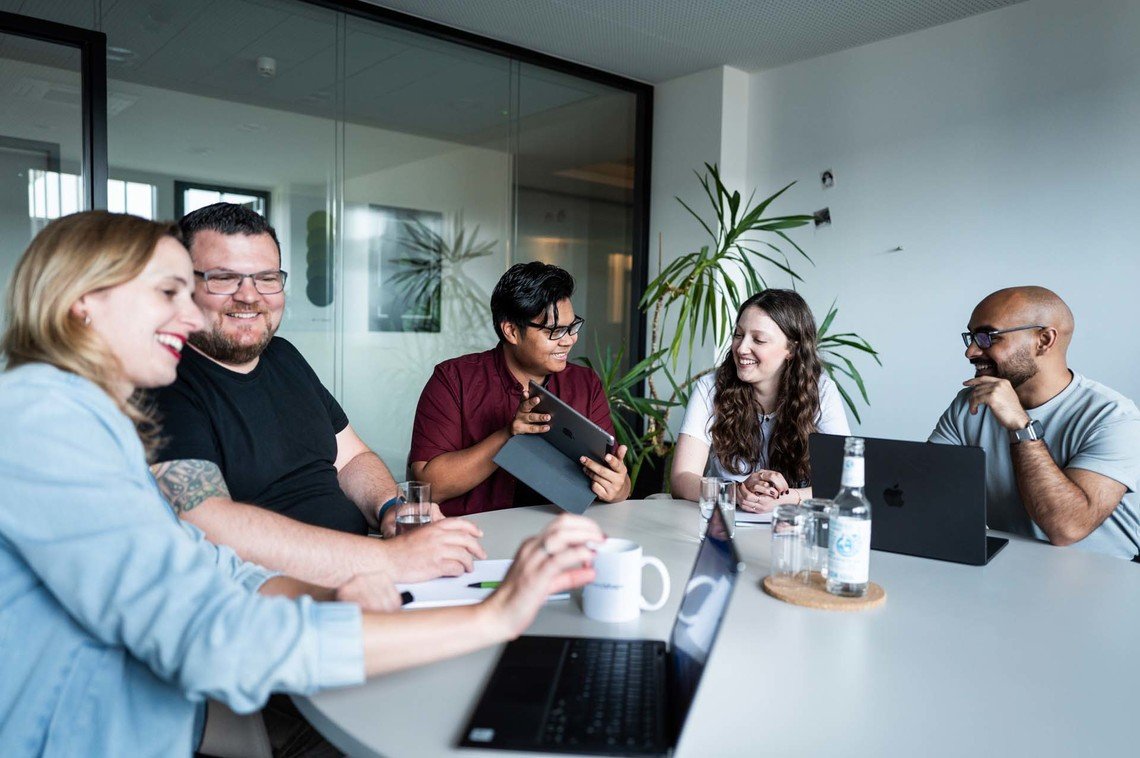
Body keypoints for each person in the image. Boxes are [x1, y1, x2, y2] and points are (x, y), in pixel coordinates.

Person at [0, 210, 604, 754]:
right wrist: (489, 616)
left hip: (256, 654)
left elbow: (205, 569)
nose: (191, 315)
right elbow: (208, 629)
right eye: (172, 292)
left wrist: (331, 587)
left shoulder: (90, 417)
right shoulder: (44, 421)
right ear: (84, 302)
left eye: (264, 279)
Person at [148, 203, 484, 588]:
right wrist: (388, 561)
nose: (249, 296)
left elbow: (352, 458)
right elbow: (207, 524)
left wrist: (391, 507)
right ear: (181, 285)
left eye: (266, 278)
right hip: (281, 597)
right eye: (224, 278)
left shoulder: (284, 356)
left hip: (368, 573)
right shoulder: (164, 379)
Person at [929, 286, 1140, 559]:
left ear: (1043, 340)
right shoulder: (969, 404)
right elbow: (927, 489)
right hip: (1011, 568)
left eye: (986, 337)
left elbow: (1067, 528)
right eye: (971, 337)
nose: (970, 351)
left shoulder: (1114, 418)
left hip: (1108, 579)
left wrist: (1021, 426)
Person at [410, 262, 630, 515]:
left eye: (573, 326)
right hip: (473, 538)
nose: (570, 340)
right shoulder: (454, 379)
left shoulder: (585, 384)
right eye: (556, 331)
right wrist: (508, 435)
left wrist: (618, 487)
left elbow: (618, 481)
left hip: (559, 537)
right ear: (512, 331)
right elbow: (429, 487)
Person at [671, 289, 850, 510]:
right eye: (738, 334)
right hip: (725, 525)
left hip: (793, 528)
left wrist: (787, 499)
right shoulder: (710, 387)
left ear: (791, 349)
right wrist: (735, 492)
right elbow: (681, 479)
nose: (741, 348)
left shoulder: (821, 391)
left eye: (759, 339)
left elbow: (843, 484)